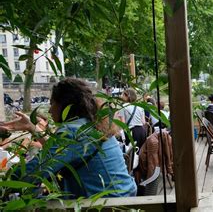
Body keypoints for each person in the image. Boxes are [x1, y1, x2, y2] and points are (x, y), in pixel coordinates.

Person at [0, 78, 136, 198]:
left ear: (65, 105)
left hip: (107, 205)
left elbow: (33, 172)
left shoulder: (72, 131)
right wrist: (31, 127)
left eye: (52, 103)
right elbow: (63, 153)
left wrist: (5, 182)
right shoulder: (89, 124)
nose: (49, 110)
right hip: (120, 196)